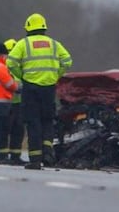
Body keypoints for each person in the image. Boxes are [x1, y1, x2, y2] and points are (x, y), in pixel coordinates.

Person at [7, 13, 72, 170]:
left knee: (33, 122)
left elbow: (10, 62)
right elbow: (67, 61)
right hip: (49, 88)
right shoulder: (54, 44)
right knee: (47, 120)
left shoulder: (24, 44)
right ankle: (48, 152)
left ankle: (35, 160)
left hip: (30, 88)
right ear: (44, 27)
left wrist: (22, 76)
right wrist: (56, 75)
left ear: (28, 28)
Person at [0, 38, 27, 165]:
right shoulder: (2, 68)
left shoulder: (19, 66)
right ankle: (2, 155)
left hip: (18, 103)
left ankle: (15, 156)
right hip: (6, 103)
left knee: (18, 130)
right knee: (4, 129)